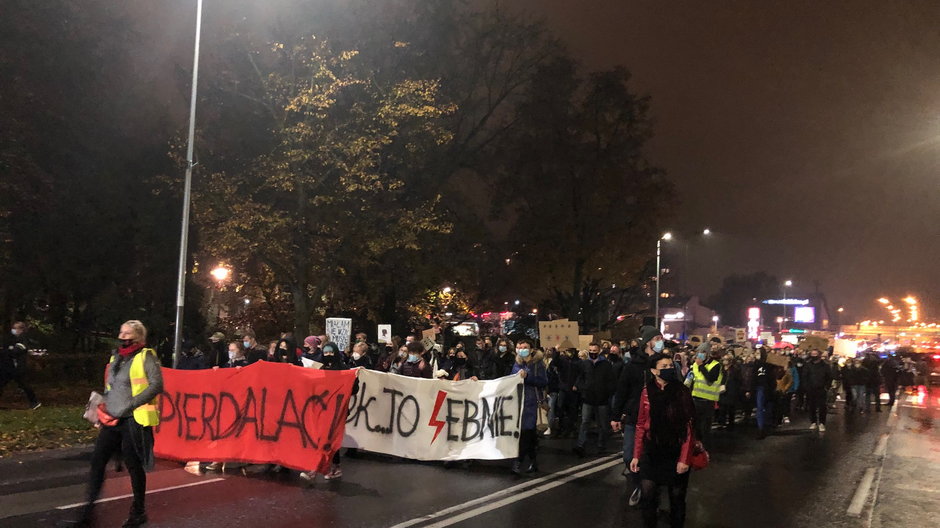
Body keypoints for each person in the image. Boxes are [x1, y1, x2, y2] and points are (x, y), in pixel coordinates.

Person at [63, 320, 162, 527]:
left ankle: (138, 512)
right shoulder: (116, 356)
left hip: (134, 420)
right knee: (97, 462)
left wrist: (131, 404)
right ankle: (87, 514)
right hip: (113, 419)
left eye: (128, 333)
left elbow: (156, 385)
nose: (123, 336)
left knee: (134, 467)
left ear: (139, 337)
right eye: (121, 332)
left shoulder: (146, 357)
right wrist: (101, 411)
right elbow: (111, 388)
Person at [630, 352, 695, 528]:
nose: (668, 369)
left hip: (675, 449)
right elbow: (640, 424)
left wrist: (684, 459)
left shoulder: (682, 391)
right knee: (648, 495)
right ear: (653, 371)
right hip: (652, 451)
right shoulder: (646, 392)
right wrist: (636, 454)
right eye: (663, 367)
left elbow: (688, 428)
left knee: (677, 497)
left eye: (670, 366)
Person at [611, 326, 658, 507]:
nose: (660, 342)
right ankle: (637, 483)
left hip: (656, 418)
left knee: (652, 456)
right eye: (657, 338)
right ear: (648, 342)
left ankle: (650, 488)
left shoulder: (664, 364)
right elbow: (622, 391)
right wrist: (615, 416)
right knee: (630, 455)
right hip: (634, 417)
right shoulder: (632, 366)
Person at [300, 342, 350, 482]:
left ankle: (319, 468)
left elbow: (354, 389)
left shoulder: (343, 368)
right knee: (321, 438)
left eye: (331, 352)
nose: (328, 355)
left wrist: (353, 377)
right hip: (321, 407)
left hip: (337, 410)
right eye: (326, 352)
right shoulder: (318, 368)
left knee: (330, 439)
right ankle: (328, 467)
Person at [511, 339, 547, 474]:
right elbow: (510, 379)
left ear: (531, 349)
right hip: (518, 402)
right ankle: (533, 461)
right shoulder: (517, 363)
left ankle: (518, 461)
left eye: (524, 347)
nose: (521, 350)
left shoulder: (538, 364)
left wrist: (527, 378)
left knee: (525, 434)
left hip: (532, 403)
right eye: (519, 347)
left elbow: (543, 381)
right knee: (529, 436)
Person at [573, 342, 616, 457]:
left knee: (602, 424)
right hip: (588, 398)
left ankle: (601, 445)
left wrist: (607, 393)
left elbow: (611, 381)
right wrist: (583, 388)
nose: (592, 353)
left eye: (594, 351)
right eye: (590, 351)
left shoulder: (606, 365)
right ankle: (580, 445)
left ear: (599, 351)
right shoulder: (585, 364)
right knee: (585, 422)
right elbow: (580, 378)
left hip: (602, 399)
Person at [688, 340, 723, 446]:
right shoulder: (694, 365)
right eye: (698, 352)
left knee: (705, 428)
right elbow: (690, 378)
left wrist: (701, 366)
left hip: (708, 401)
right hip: (696, 399)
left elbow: (711, 378)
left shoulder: (715, 365)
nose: (699, 354)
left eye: (702, 352)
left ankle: (704, 449)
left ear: (707, 354)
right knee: (695, 426)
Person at [0, 321, 40, 409]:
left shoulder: (22, 339)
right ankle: (34, 402)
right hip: (11, 367)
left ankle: (34, 402)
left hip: (17, 367)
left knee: (24, 384)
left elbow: (16, 351)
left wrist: (6, 351)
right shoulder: (14, 339)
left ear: (21, 330)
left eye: (15, 328)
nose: (13, 330)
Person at [803, 348, 832, 431]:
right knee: (811, 406)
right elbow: (805, 377)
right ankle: (813, 422)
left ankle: (822, 423)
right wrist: (806, 387)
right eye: (812, 354)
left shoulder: (825, 365)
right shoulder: (808, 365)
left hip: (821, 388)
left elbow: (829, 377)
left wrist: (827, 386)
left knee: (822, 406)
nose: (814, 356)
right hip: (811, 388)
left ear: (819, 355)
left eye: (815, 354)